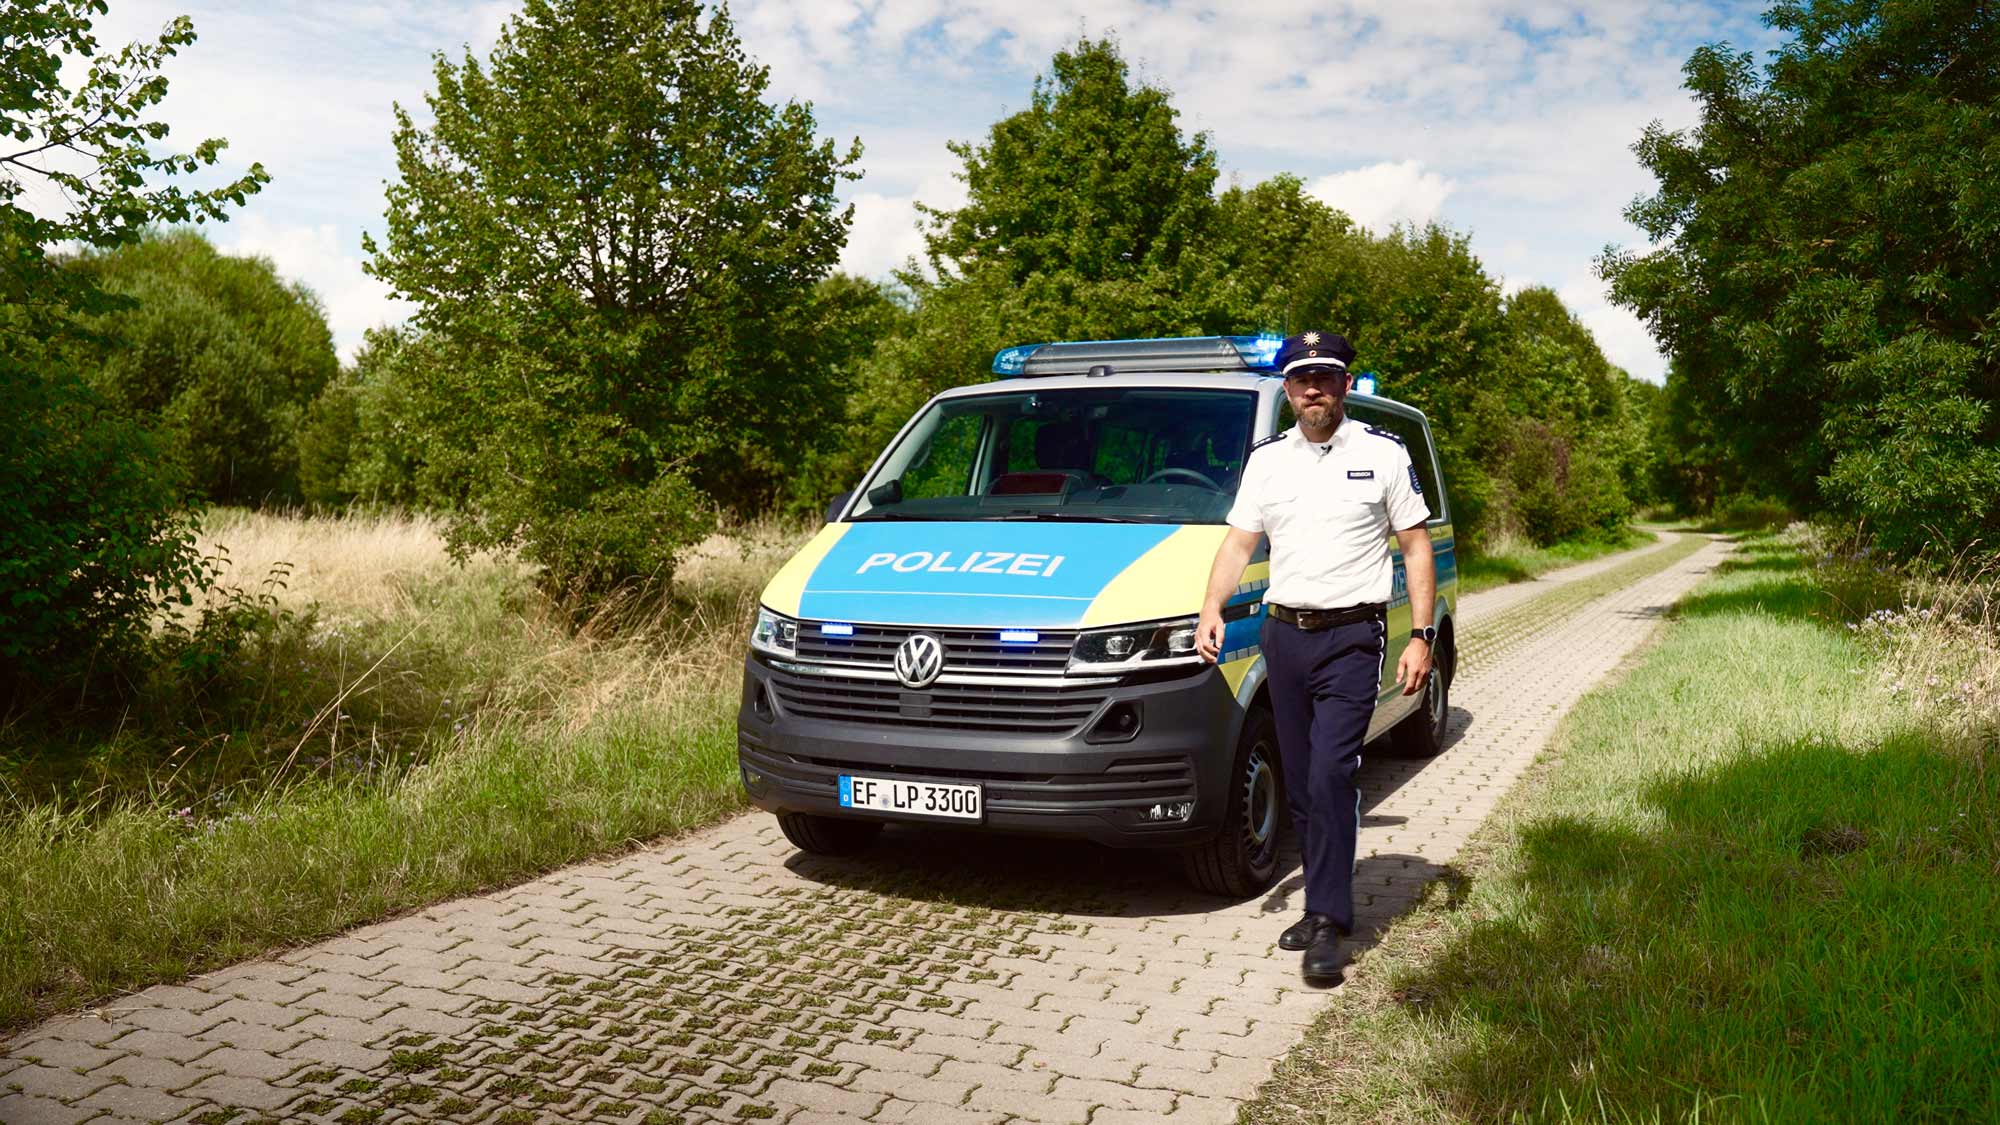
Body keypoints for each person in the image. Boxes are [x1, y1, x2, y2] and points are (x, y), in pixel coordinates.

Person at [1194, 330, 1436, 980]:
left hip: (1352, 637)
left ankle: (1330, 920)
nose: (1313, 389)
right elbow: (1238, 543)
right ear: (1289, 390)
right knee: (1302, 782)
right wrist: (1211, 607)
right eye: (1302, 379)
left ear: (1344, 385)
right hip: (1284, 636)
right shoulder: (1268, 460)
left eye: (1325, 377)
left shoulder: (1383, 453)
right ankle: (1317, 901)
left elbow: (1415, 545)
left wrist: (1422, 635)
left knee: (1331, 774)